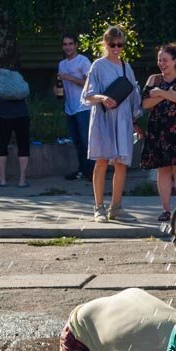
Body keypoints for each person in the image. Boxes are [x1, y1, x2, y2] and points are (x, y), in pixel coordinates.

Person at [83, 25, 141, 222]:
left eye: (120, 45)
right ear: (105, 44)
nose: (116, 48)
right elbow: (88, 95)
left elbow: (134, 94)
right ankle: (98, 207)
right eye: (112, 45)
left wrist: (135, 120)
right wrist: (102, 97)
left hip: (123, 117)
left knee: (121, 163)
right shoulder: (98, 66)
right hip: (103, 116)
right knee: (101, 162)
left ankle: (116, 207)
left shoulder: (126, 67)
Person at [140, 42, 176, 223]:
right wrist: (167, 94)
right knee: (162, 169)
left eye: (165, 60)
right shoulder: (153, 79)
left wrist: (161, 94)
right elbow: (145, 103)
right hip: (158, 130)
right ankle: (166, 210)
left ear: (175, 61)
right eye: (159, 60)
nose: (162, 63)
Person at [0, 62, 30, 188]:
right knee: (23, 147)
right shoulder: (15, 81)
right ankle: (22, 181)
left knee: (2, 147)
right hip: (23, 116)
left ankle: (2, 180)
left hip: (5, 118)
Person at [56, 34, 93, 181]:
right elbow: (61, 85)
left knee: (86, 141)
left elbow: (89, 83)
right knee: (77, 141)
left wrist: (70, 78)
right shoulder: (62, 64)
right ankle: (82, 170)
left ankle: (93, 172)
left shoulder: (83, 61)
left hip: (84, 106)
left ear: (76, 45)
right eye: (65, 44)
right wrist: (58, 90)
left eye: (70, 44)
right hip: (70, 107)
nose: (68, 47)